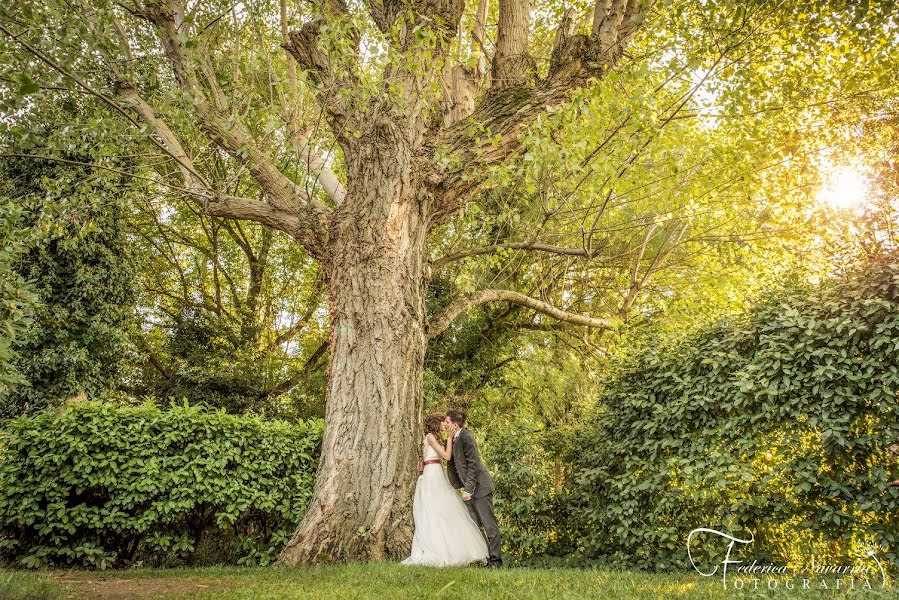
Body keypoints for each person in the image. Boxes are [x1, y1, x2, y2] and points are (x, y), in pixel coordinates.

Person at [402, 414, 488, 567]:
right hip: (430, 476)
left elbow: (441, 463)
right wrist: (449, 438)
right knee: (433, 511)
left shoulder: (436, 438)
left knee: (446, 511)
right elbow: (447, 456)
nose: (446, 425)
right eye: (444, 422)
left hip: (437, 474)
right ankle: (437, 548)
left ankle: (457, 549)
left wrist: (448, 483)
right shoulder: (429, 437)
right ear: (437, 423)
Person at [444, 410, 502, 568]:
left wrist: (468, 489)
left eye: (447, 422)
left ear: (455, 425)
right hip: (467, 490)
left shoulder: (466, 437)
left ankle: (496, 561)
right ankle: (485, 558)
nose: (445, 424)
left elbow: (473, 464)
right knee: (475, 526)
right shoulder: (452, 439)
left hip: (480, 487)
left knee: (489, 525)